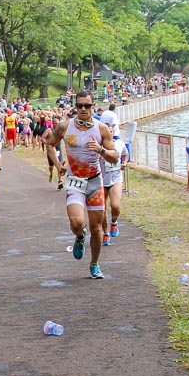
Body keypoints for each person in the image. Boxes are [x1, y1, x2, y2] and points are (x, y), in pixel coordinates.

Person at [47, 91, 119, 279]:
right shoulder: (65, 127)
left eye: (87, 106)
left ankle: (94, 264)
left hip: (95, 181)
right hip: (74, 181)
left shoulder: (101, 129)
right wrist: (58, 165)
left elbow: (115, 157)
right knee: (77, 222)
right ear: (75, 107)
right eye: (80, 106)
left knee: (96, 229)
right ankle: (79, 236)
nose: (83, 109)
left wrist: (101, 150)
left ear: (93, 106)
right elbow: (49, 144)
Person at [100, 132, 128, 246]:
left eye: (110, 131)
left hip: (116, 179)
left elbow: (125, 154)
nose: (108, 134)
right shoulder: (98, 147)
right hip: (101, 181)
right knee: (102, 210)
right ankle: (105, 233)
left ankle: (114, 222)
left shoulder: (119, 144)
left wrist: (124, 162)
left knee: (115, 206)